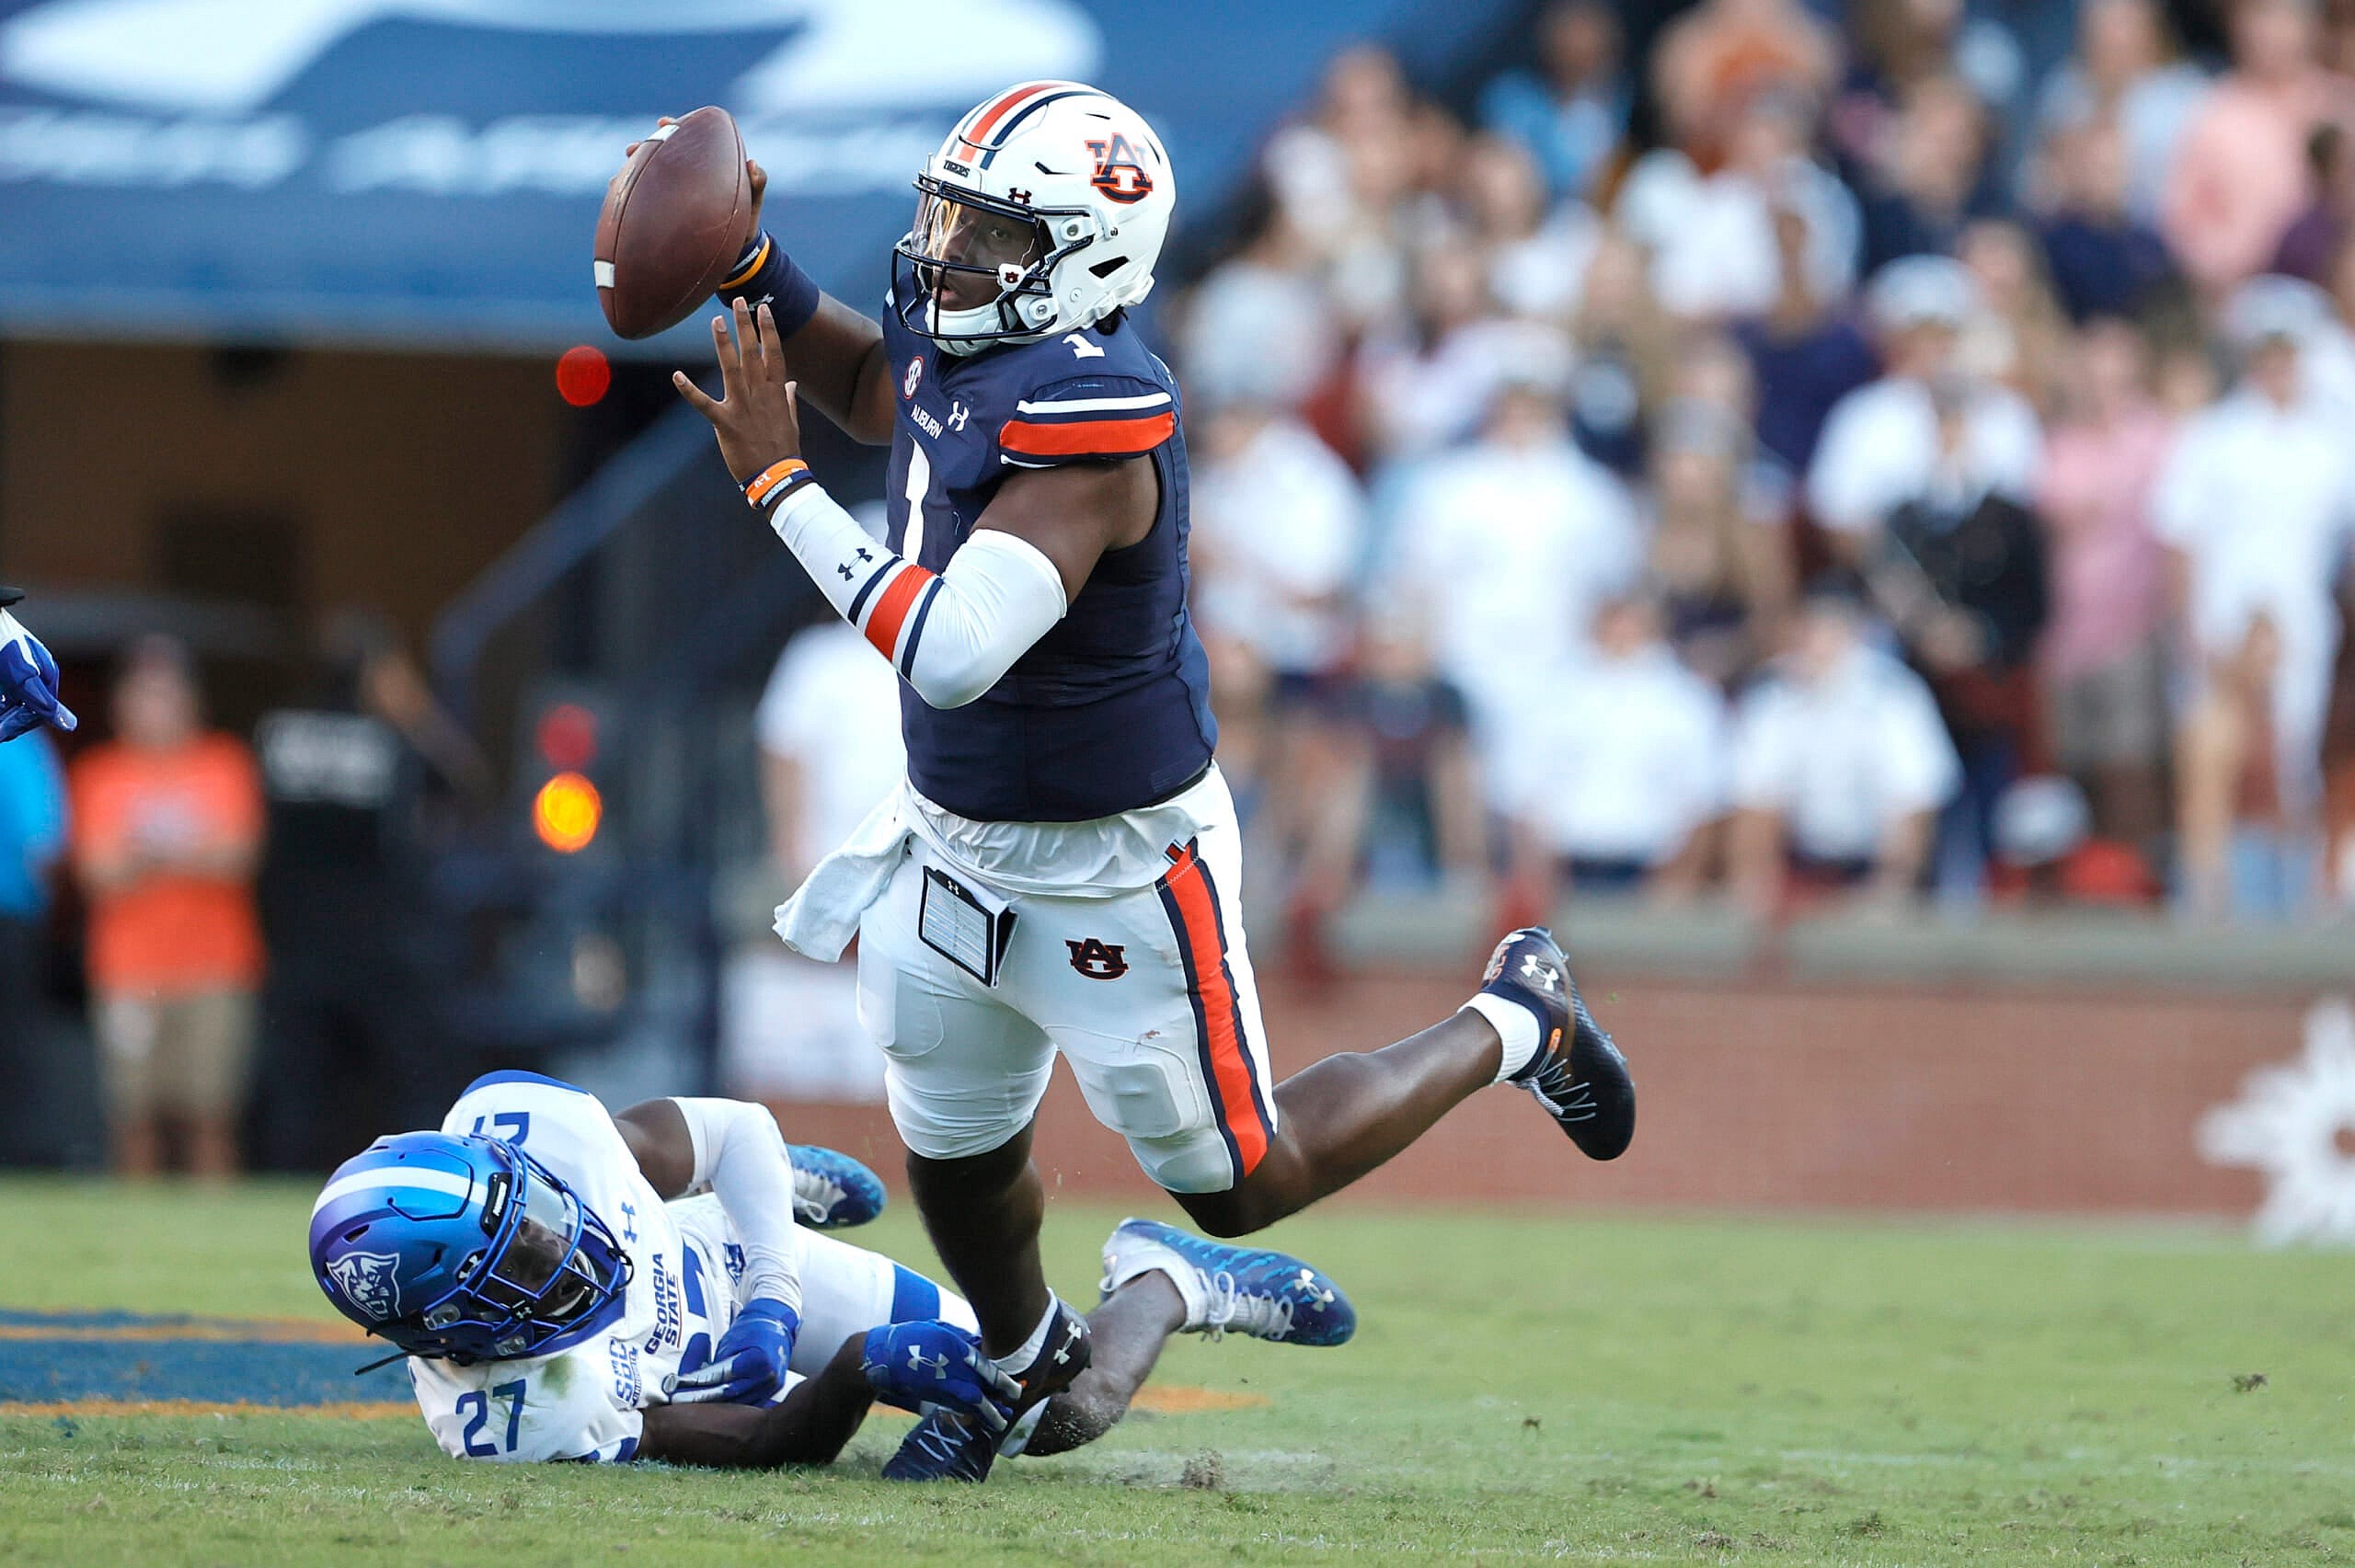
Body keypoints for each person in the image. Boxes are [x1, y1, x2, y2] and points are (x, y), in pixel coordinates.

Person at [652, 81, 1635, 1483]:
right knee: (955, 1142)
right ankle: (1022, 1353)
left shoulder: (1102, 412)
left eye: (988, 234)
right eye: (951, 216)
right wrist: (760, 274)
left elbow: (949, 648)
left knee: (1243, 1180)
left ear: (1085, 261)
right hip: (953, 833)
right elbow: (886, 387)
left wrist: (776, 488)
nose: (945, 254)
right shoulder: (977, 331)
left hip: (1116, 856)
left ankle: (1512, 1019)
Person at [309, 1072, 1350, 1469]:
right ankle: (1167, 1274)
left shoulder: (545, 1137)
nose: (558, 1237)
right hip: (690, 1350)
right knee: (1039, 1413)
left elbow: (737, 1124)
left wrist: (770, 1290)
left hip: (707, 1252)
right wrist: (861, 1367)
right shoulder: (527, 1413)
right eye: (521, 1260)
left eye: (530, 1211)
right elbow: (762, 1434)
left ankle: (756, 1212)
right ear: (457, 1327)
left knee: (1047, 1398)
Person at [68, 635, 265, 1176]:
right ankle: (131, 1245)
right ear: (122, 704)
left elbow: (238, 854)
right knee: (133, 1117)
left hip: (216, 966)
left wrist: (147, 852)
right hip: (128, 971)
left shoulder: (224, 762)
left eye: (168, 693)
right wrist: (188, 849)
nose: (156, 706)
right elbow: (97, 873)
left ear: (191, 701)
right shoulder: (99, 772)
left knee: (212, 1113)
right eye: (144, 693)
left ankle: (218, 1237)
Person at [729, 614, 905, 1103]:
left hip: (902, 899)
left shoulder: (941, 655)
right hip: (820, 880)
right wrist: (792, 856)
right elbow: (783, 748)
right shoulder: (819, 657)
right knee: (783, 1082)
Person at [1729, 590, 1963, 909]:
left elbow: (1915, 802)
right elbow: (1756, 799)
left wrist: (1888, 890)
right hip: (1803, 861)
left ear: (1852, 635)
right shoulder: (1773, 696)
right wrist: (1753, 887)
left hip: (1876, 861)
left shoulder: (1895, 697)